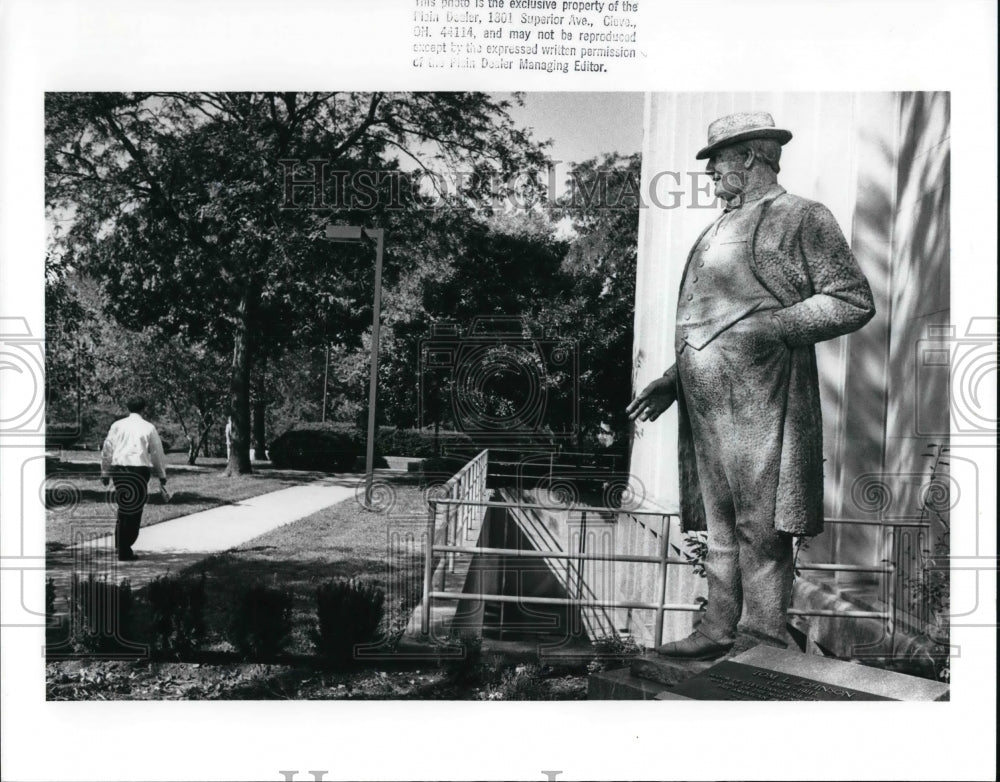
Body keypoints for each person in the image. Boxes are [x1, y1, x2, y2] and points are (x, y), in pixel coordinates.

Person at [626, 112, 875, 660]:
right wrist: (672, 380)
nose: (711, 172)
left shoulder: (800, 217)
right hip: (708, 405)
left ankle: (761, 638)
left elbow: (852, 298)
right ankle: (717, 627)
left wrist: (776, 328)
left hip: (765, 398)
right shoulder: (712, 230)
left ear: (750, 158)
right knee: (719, 525)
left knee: (760, 527)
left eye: (718, 161)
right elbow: (705, 319)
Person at [100, 396, 168, 561]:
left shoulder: (117, 426)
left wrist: (105, 472)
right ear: (143, 408)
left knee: (124, 506)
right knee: (134, 509)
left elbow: (107, 449)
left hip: (119, 470)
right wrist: (161, 474)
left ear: (128, 407)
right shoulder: (148, 427)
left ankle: (120, 544)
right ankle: (125, 547)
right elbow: (156, 452)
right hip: (138, 470)